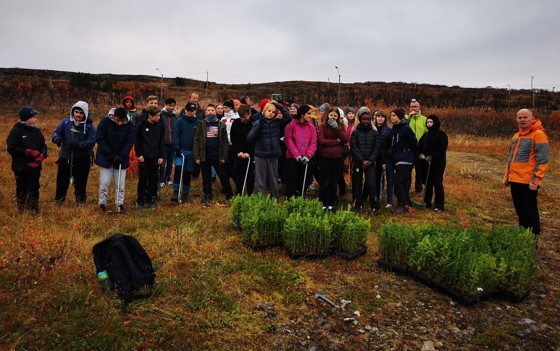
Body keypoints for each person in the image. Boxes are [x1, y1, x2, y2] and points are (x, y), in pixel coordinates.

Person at [503, 108, 549, 236]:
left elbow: (543, 160)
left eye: (525, 117)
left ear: (532, 118)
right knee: (520, 211)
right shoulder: (516, 136)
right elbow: (511, 160)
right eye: (520, 118)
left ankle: (532, 239)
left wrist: (536, 180)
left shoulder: (538, 134)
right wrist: (507, 177)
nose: (522, 120)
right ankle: (523, 238)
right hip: (515, 180)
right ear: (516, 119)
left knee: (530, 212)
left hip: (528, 182)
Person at [52, 101, 96, 205]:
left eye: (81, 113)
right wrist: (57, 138)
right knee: (62, 180)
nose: (78, 115)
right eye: (76, 112)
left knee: (81, 181)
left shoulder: (89, 127)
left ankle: (81, 201)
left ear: (85, 113)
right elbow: (56, 133)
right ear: (73, 112)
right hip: (66, 156)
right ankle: (59, 200)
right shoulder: (66, 123)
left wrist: (79, 145)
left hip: (82, 157)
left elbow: (92, 140)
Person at [247, 101, 293, 199]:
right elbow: (250, 138)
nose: (271, 113)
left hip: (273, 155)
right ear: (264, 111)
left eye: (273, 112)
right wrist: (259, 126)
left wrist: (278, 106)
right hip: (260, 155)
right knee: (261, 180)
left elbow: (289, 118)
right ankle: (261, 201)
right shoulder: (257, 123)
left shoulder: (277, 123)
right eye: (269, 111)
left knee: (273, 180)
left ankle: (275, 201)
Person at [7, 106, 47, 214]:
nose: (36, 119)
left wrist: (42, 156)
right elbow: (11, 148)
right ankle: (22, 208)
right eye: (34, 117)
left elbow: (43, 145)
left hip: (35, 166)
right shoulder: (16, 131)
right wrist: (27, 152)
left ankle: (34, 208)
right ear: (26, 118)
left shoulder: (37, 131)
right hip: (21, 166)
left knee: (34, 187)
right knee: (22, 187)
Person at [95, 107, 135, 213]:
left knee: (120, 184)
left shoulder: (129, 124)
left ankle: (119, 204)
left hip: (121, 158)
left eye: (122, 121)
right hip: (106, 157)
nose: (120, 123)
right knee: (104, 183)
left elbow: (130, 140)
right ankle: (102, 204)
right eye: (118, 120)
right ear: (114, 117)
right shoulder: (105, 121)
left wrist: (123, 154)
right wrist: (108, 153)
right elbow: (100, 137)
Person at [193, 104, 233, 206]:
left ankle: (229, 195)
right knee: (206, 177)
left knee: (223, 176)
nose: (210, 112)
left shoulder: (221, 124)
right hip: (205, 155)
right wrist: (197, 156)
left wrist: (224, 156)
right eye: (208, 110)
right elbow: (196, 140)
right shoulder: (201, 124)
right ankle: (207, 195)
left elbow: (225, 142)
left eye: (212, 110)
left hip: (217, 155)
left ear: (215, 112)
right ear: (206, 112)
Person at [350, 107, 381, 215]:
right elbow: (354, 148)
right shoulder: (355, 133)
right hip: (359, 162)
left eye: (368, 119)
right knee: (357, 184)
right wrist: (362, 160)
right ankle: (359, 205)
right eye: (364, 119)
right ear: (360, 119)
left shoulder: (375, 133)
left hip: (370, 163)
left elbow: (377, 148)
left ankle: (374, 207)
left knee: (371, 184)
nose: (366, 121)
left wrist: (370, 160)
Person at [387, 107, 418, 214]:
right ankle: (406, 203)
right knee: (404, 183)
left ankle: (402, 204)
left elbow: (414, 143)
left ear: (400, 117)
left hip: (406, 160)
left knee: (397, 182)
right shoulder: (394, 129)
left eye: (394, 116)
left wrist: (414, 159)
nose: (392, 118)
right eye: (391, 116)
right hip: (397, 159)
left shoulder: (406, 129)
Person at [318, 107, 349, 211]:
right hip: (325, 157)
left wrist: (337, 129)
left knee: (333, 182)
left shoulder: (340, 126)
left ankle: (331, 204)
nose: (333, 117)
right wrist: (336, 142)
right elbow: (322, 141)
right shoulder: (322, 126)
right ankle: (323, 203)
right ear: (328, 115)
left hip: (337, 158)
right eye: (331, 115)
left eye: (335, 116)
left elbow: (345, 139)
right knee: (324, 182)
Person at [284, 104, 317, 198]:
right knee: (291, 183)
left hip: (306, 159)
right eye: (308, 113)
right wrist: (297, 155)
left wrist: (308, 155)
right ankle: (290, 202)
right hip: (292, 159)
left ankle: (300, 201)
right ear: (302, 114)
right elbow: (288, 141)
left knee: (304, 183)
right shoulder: (291, 126)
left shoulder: (311, 127)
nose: (310, 116)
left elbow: (313, 143)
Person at [134, 106, 164, 209]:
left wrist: (161, 156)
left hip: (155, 157)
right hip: (144, 157)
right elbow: (137, 141)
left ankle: (150, 199)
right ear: (150, 116)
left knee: (153, 178)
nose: (159, 117)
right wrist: (139, 154)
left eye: (159, 115)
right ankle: (140, 200)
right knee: (143, 178)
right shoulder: (141, 125)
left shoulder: (160, 126)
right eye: (157, 116)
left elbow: (161, 141)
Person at [418, 115, 448, 212]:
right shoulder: (425, 135)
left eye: (431, 122)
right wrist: (421, 154)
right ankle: (427, 202)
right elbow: (420, 146)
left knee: (437, 183)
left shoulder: (442, 135)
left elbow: (442, 148)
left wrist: (433, 156)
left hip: (437, 163)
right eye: (427, 122)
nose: (429, 124)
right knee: (428, 183)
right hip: (426, 163)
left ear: (435, 123)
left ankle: (439, 205)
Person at [172, 102, 200, 202]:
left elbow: (199, 138)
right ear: (185, 110)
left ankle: (185, 193)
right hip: (181, 151)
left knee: (188, 173)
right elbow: (175, 135)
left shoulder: (198, 123)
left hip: (192, 152)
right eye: (188, 110)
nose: (189, 112)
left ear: (195, 111)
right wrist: (177, 148)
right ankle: (175, 191)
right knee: (179, 169)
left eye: (192, 111)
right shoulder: (180, 121)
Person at [230, 104, 256, 195]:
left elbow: (255, 140)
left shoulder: (254, 123)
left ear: (250, 114)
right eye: (241, 117)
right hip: (239, 153)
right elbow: (233, 139)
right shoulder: (236, 123)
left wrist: (249, 153)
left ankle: (250, 194)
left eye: (245, 117)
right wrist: (238, 151)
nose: (243, 119)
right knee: (238, 174)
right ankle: (239, 192)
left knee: (250, 176)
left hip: (250, 154)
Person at [406, 98, 428, 193]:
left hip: (420, 149)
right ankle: (406, 188)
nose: (414, 108)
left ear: (419, 107)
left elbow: (428, 133)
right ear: (409, 108)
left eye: (415, 106)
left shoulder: (424, 119)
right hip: (408, 149)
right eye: (412, 107)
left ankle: (418, 189)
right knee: (408, 170)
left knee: (419, 170)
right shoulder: (406, 118)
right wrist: (409, 117)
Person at [373, 109, 393, 208]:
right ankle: (375, 196)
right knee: (374, 179)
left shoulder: (388, 130)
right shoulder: (373, 128)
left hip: (383, 158)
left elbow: (388, 147)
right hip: (373, 158)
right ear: (375, 118)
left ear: (385, 119)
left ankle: (380, 197)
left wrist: (384, 160)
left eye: (382, 117)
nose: (380, 119)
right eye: (378, 117)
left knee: (381, 179)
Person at [160, 98, 178, 187]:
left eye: (173, 106)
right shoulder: (161, 115)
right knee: (163, 162)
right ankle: (161, 179)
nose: (171, 107)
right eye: (169, 105)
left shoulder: (175, 117)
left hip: (172, 144)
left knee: (170, 162)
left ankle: (168, 178)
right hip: (164, 143)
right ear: (165, 105)